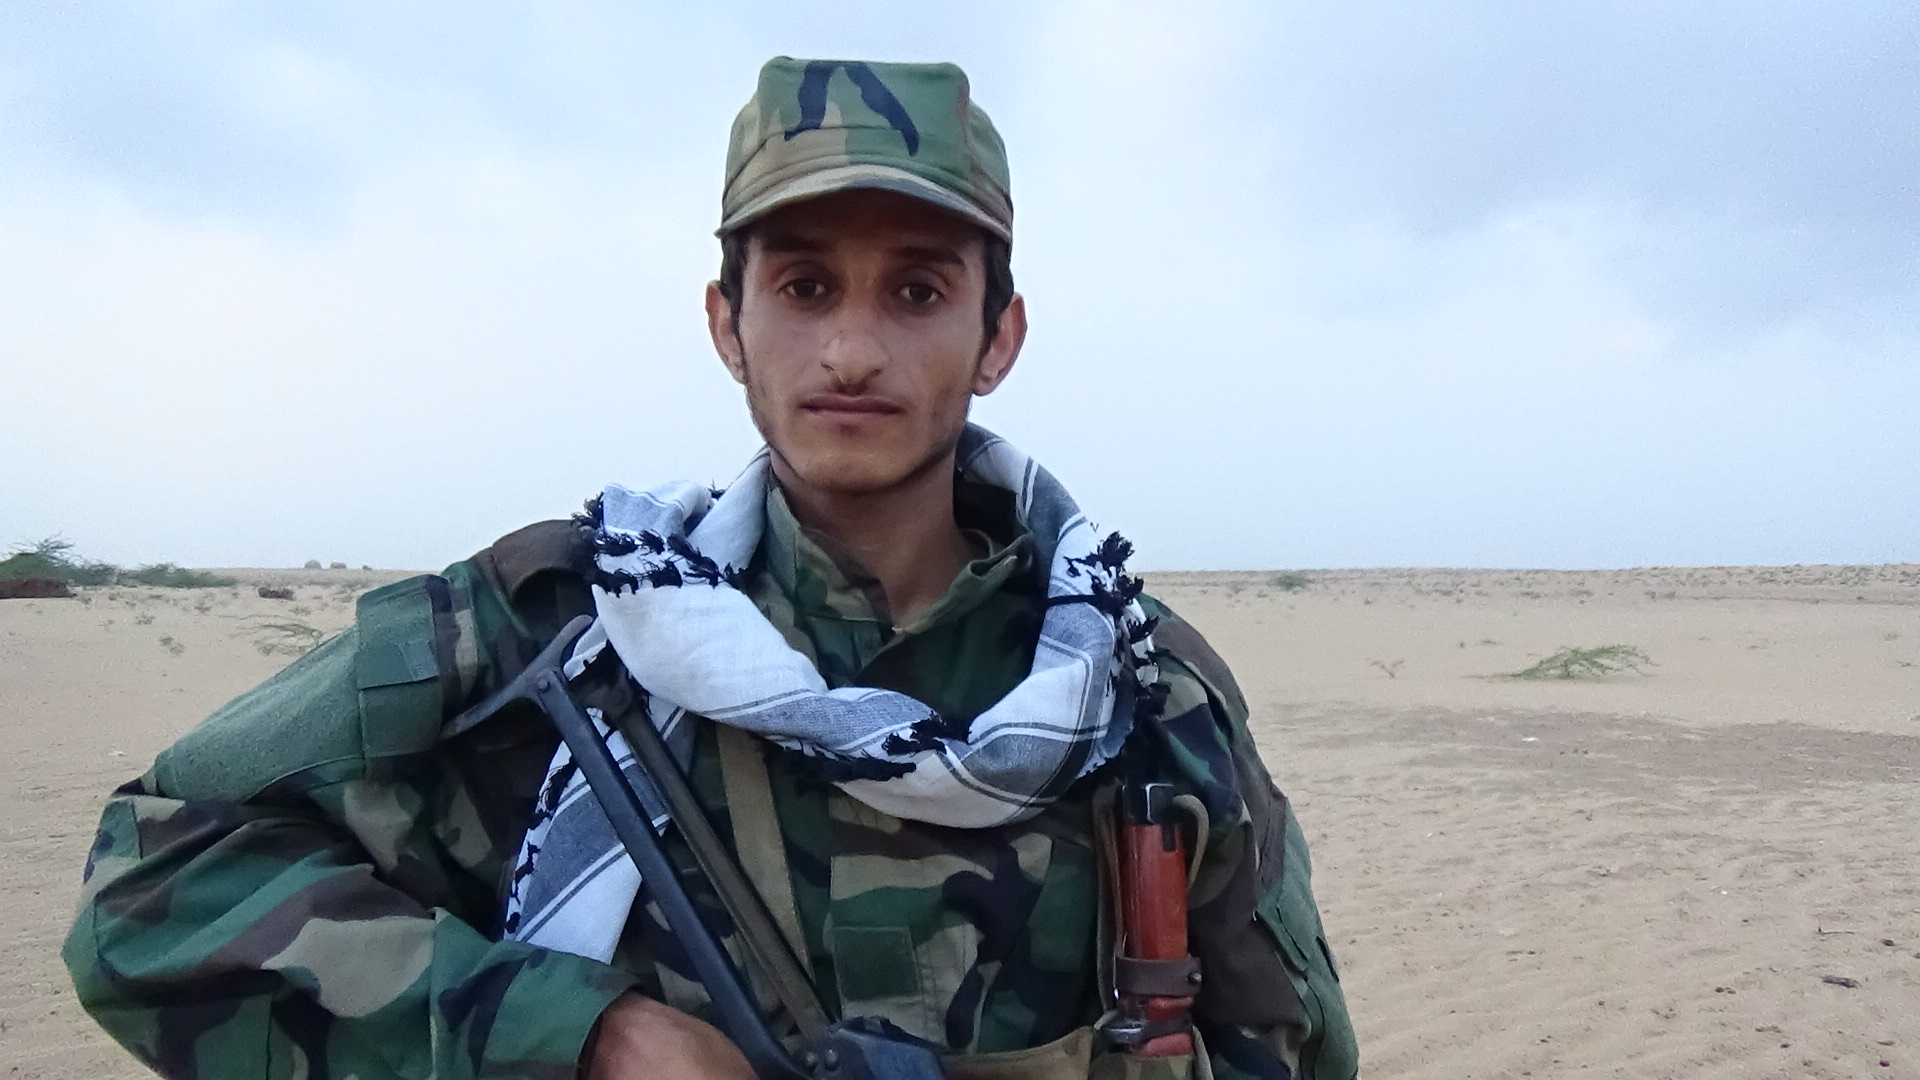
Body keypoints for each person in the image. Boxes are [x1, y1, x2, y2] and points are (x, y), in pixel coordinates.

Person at [65, 57, 1358, 1080]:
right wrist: (577, 1036)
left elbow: (1290, 1044)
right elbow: (154, 877)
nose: (851, 352)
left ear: (997, 336)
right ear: (726, 323)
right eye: (804, 287)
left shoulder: (1140, 692)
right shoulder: (556, 633)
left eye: (917, 293)